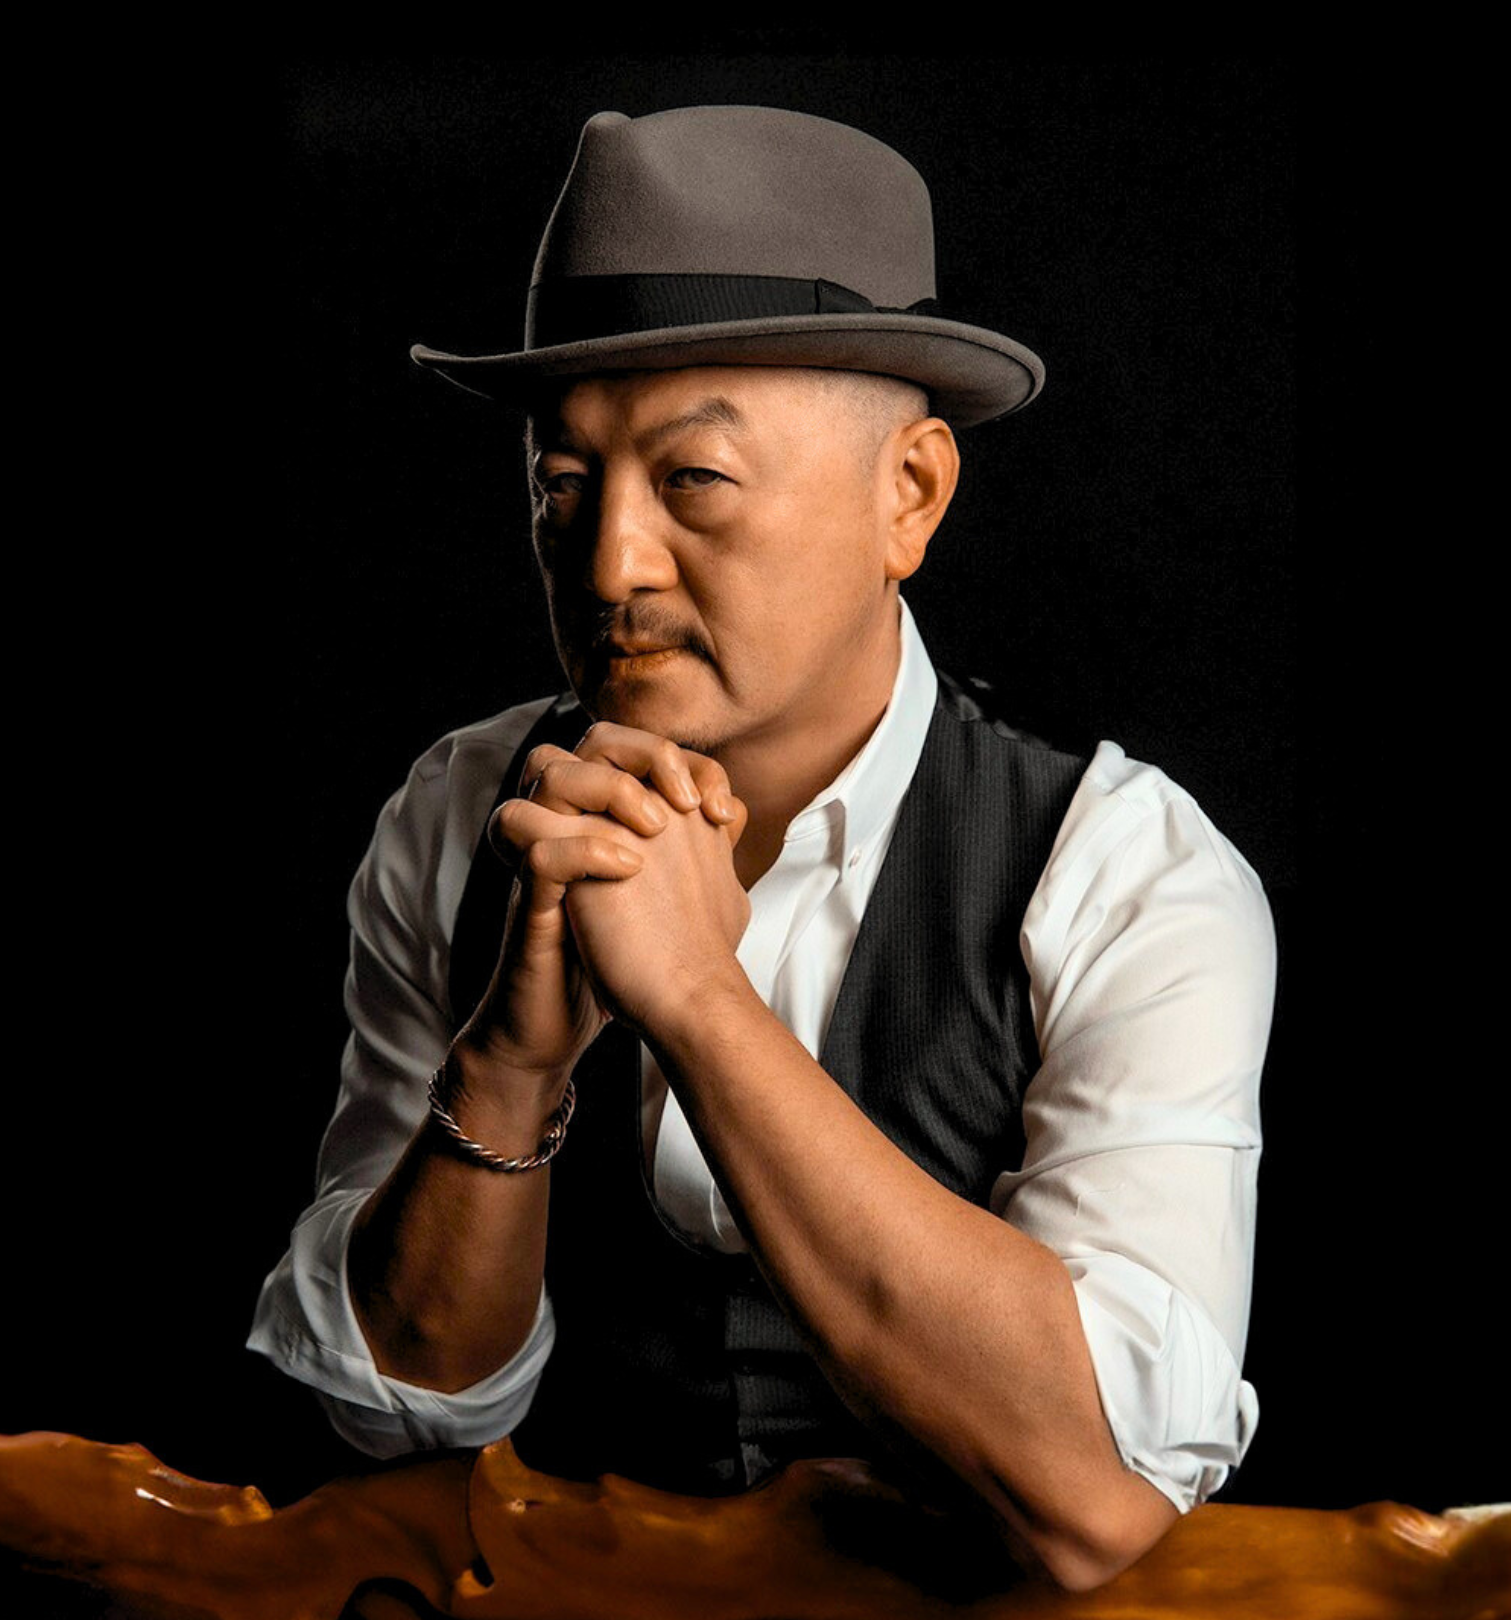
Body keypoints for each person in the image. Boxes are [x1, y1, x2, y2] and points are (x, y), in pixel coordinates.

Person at [250, 105, 1275, 1592]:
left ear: (908, 495)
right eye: (561, 485)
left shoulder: (1128, 876)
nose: (610, 564)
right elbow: (388, 1417)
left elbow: (1094, 1497)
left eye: (694, 481)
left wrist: (700, 1006)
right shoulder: (459, 817)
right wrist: (511, 1071)